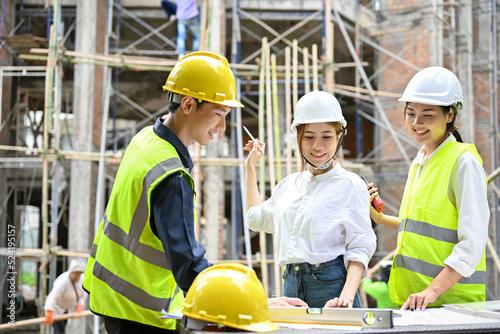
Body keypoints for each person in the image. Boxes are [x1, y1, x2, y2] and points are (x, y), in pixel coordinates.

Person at [83, 51, 244, 333]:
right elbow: (188, 263)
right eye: (219, 114)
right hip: (142, 315)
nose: (222, 127)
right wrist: (245, 306)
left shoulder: (145, 139)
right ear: (188, 104)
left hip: (114, 300)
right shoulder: (171, 176)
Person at [367, 66, 489, 311]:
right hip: (416, 301)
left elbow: (472, 243)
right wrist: (381, 219)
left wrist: (432, 291)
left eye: (427, 115)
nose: (416, 123)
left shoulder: (463, 162)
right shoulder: (421, 159)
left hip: (453, 305)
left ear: (450, 115)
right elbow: (424, 227)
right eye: (410, 113)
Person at [244, 90, 377, 309]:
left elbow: (361, 247)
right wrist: (250, 167)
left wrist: (346, 296)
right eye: (309, 137)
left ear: (339, 136)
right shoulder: (288, 185)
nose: (317, 146)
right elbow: (255, 220)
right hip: (290, 286)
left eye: (326, 136)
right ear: (298, 137)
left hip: (332, 288)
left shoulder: (351, 185)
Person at [44, 259, 87, 334]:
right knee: (59, 331)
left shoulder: (83, 280)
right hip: (56, 309)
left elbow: (83, 295)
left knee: (63, 329)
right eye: (73, 273)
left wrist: (80, 305)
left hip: (66, 309)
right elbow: (53, 296)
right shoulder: (63, 280)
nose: (75, 276)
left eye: (78, 273)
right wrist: (49, 310)